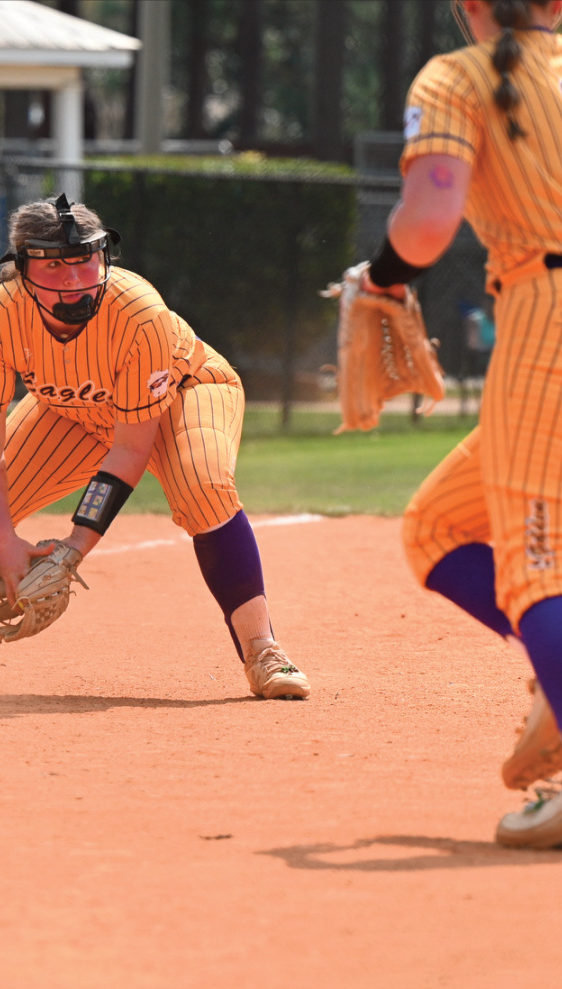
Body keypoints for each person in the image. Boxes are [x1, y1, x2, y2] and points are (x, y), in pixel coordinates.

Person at [0, 193, 311, 702]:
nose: (73, 278)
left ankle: (263, 651)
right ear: (23, 268)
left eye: (83, 260)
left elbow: (130, 449)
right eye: (54, 265)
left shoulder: (139, 315)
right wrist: (3, 541)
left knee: (204, 491)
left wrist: (73, 549)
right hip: (69, 410)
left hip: (185, 393)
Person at [358, 1, 562, 848]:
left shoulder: (459, 75)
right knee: (439, 524)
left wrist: (379, 281)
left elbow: (429, 217)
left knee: (530, 564)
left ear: (467, 7)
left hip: (546, 316)